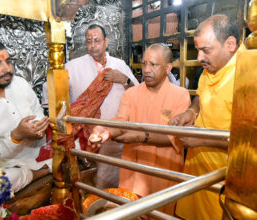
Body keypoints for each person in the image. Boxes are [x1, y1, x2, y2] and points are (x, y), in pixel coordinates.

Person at [88, 43, 191, 215]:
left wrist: (139, 137)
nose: (147, 69)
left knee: (161, 215)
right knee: (132, 213)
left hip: (164, 173)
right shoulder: (131, 94)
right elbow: (121, 121)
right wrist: (108, 131)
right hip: (133, 172)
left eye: (153, 64)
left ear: (167, 68)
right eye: (144, 64)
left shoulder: (180, 95)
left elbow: (175, 137)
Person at [44, 24, 139, 189]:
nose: (93, 45)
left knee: (118, 180)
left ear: (106, 41)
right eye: (89, 41)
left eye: (97, 41)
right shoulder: (73, 66)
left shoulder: (120, 65)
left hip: (116, 136)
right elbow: (50, 89)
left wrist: (125, 80)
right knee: (91, 184)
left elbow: (138, 92)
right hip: (87, 138)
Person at [168, 14, 243, 219]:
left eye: (205, 50)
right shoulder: (208, 71)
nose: (199, 57)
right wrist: (190, 112)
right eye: (198, 49)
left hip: (226, 183)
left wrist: (200, 138)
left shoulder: (248, 76)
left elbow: (250, 143)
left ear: (230, 44)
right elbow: (200, 98)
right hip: (196, 171)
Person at [0, 38, 52, 193]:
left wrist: (39, 128)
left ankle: (43, 167)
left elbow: (37, 111)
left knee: (79, 139)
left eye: (8, 61)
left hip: (36, 150)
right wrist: (16, 136)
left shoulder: (19, 83)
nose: (7, 69)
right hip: (4, 163)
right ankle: (43, 171)